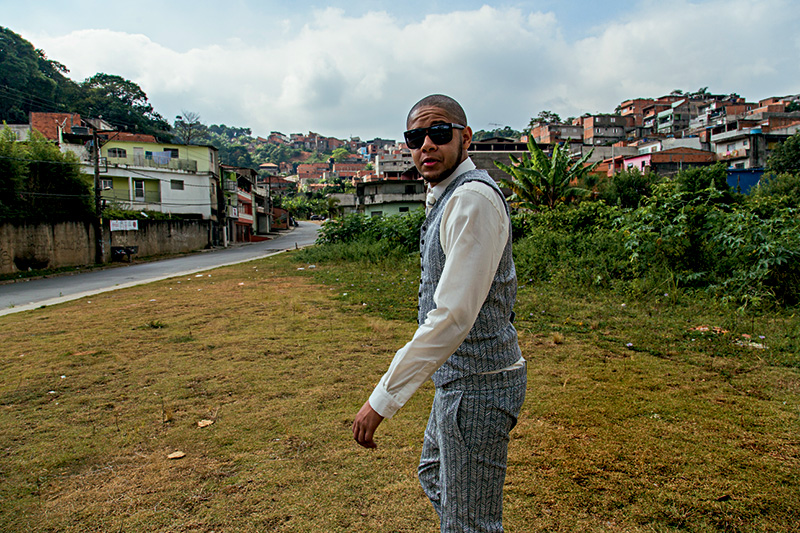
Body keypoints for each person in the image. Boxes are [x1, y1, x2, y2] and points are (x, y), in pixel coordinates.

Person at [352, 94, 527, 533]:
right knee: (434, 474)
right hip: (458, 379)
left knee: (470, 524)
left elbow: (451, 316)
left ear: (465, 138)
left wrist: (381, 400)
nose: (426, 145)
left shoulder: (471, 202)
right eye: (415, 137)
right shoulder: (446, 196)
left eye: (439, 133)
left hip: (479, 387)